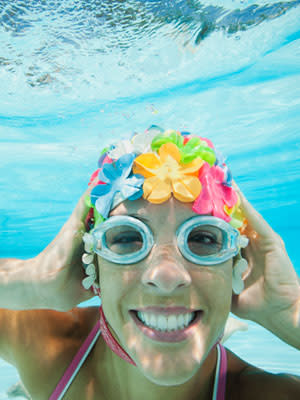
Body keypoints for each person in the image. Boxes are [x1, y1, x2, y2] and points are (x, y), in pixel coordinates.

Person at [0, 127, 299, 400]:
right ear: (92, 265)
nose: (166, 276)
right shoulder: (48, 343)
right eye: (128, 238)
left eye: (204, 240)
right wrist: (27, 282)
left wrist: (290, 315)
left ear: (236, 264)